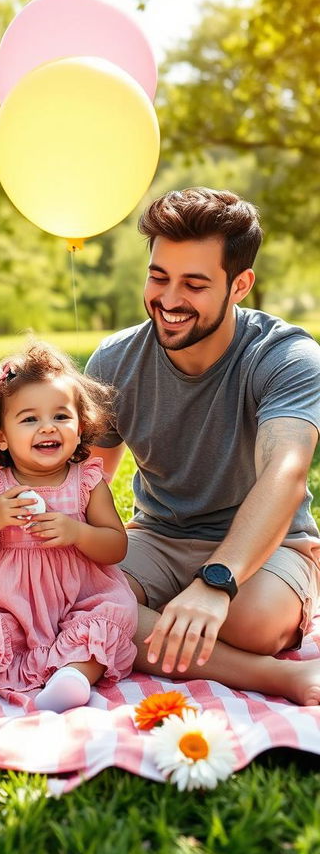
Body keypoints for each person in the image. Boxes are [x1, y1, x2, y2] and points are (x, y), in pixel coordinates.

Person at [86, 187, 320, 705]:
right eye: (158, 277)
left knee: (254, 623)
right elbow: (90, 478)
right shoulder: (114, 361)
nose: (169, 301)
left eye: (194, 284)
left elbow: (286, 474)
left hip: (269, 546)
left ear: (240, 285)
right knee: (82, 602)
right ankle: (276, 678)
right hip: (159, 536)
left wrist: (216, 583)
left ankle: (187, 627)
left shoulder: (286, 357)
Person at [0, 342, 138, 716]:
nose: (47, 428)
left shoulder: (88, 481)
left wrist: (79, 533)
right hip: (7, 602)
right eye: (29, 419)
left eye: (61, 416)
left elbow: (116, 546)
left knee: (105, 620)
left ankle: (72, 679)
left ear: (80, 425)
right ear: (1, 437)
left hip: (79, 597)